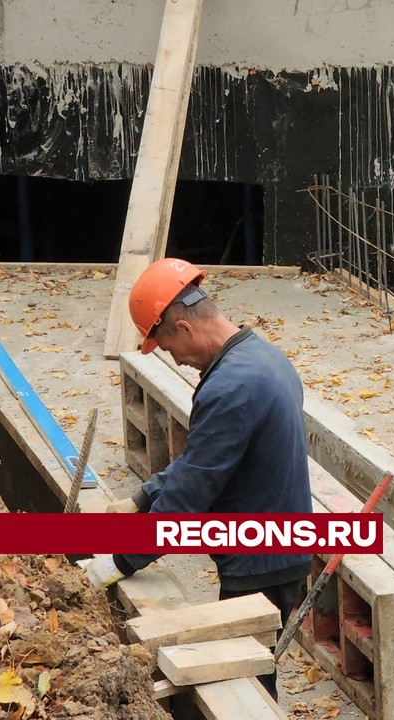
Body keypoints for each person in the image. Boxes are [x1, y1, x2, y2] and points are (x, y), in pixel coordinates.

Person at [83, 257, 312, 700]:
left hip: (260, 560)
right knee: (248, 671)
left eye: (168, 348)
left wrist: (120, 562)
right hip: (277, 543)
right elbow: (204, 459)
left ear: (183, 328)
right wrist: (142, 498)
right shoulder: (260, 356)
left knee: (245, 686)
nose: (178, 361)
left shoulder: (231, 387)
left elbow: (189, 496)